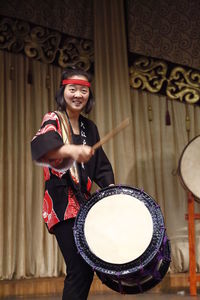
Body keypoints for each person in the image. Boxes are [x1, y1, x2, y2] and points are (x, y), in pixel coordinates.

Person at [31, 67, 115, 300]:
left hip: (84, 205)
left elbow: (101, 167)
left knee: (85, 270)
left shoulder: (90, 128)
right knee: (79, 268)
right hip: (61, 204)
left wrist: (111, 192)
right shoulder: (53, 118)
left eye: (83, 90)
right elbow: (41, 145)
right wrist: (72, 150)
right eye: (72, 89)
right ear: (63, 92)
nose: (78, 95)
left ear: (89, 95)